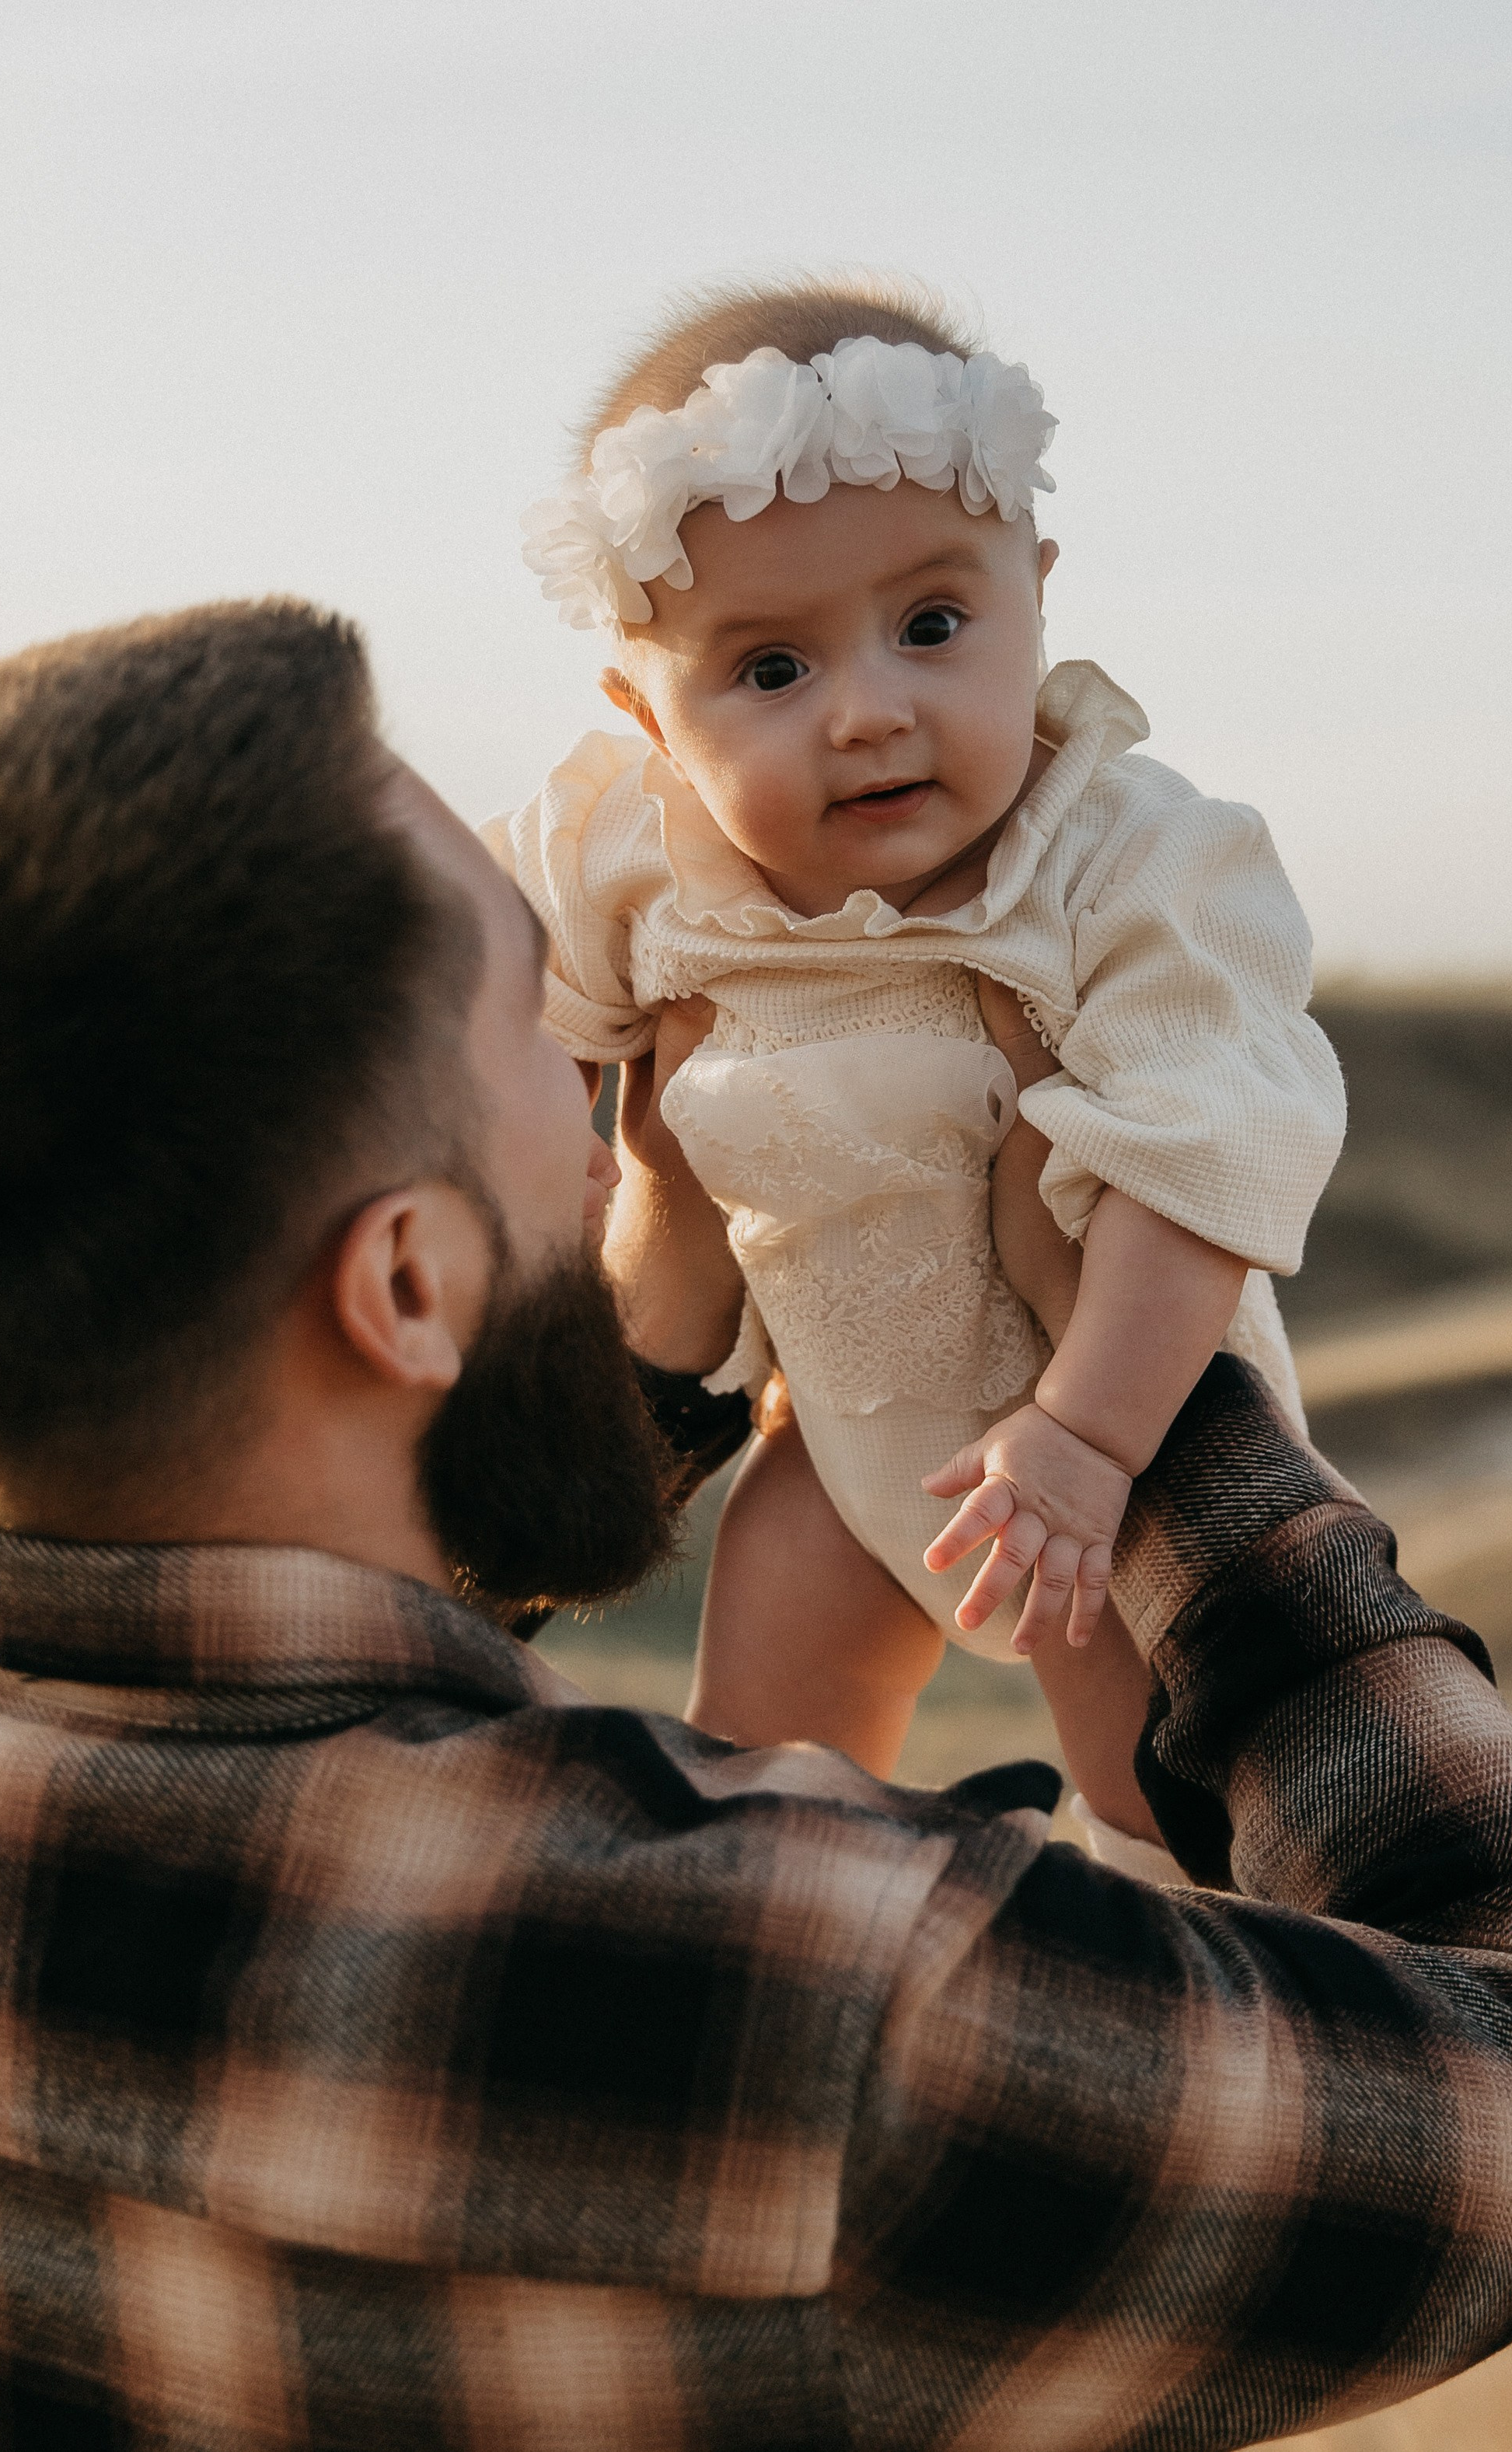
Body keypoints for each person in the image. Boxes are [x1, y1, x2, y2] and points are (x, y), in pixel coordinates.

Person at [0, 601, 1512, 2450]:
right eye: (539, 1036)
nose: (603, 1138)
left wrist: (674, 1337)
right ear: (403, 1281)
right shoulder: (818, 2008)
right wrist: (1135, 1406)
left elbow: (291, 1617)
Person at [506, 272, 1347, 1783]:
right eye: (772, 668)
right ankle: (787, 1901)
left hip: (1115, 1419)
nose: (868, 710)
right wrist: (550, 1165)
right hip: (837, 1440)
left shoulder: (1123, 863)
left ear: (1038, 592)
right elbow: (477, 1008)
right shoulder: (633, 856)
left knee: (1157, 1781)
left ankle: (1149, 1891)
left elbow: (1204, 1156)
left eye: (932, 624)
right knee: (763, 1760)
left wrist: (1086, 1438)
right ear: (646, 717)